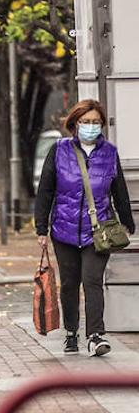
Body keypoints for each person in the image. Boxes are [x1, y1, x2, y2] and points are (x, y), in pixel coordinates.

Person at [35, 99, 134, 357]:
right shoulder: (59, 150)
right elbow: (45, 192)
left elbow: (119, 190)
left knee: (92, 281)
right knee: (69, 284)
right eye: (85, 122)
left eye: (96, 122)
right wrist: (40, 229)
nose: (91, 126)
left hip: (98, 232)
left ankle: (95, 335)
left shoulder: (109, 153)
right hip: (63, 230)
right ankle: (71, 332)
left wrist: (128, 222)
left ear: (102, 125)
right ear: (75, 123)